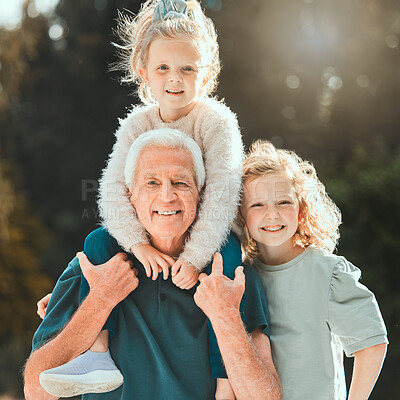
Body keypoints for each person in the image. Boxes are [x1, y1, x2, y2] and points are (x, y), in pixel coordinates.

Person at [37, 0, 245, 397]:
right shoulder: (137, 123)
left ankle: (224, 380)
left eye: (187, 68)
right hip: (148, 234)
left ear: (206, 75)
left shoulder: (216, 122)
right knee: (98, 242)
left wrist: (195, 257)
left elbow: (221, 195)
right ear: (143, 72)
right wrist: (136, 245)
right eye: (163, 68)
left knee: (227, 268)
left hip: (207, 237)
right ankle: (97, 353)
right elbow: (113, 191)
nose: (175, 79)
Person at [24, 130, 281, 400]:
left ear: (201, 194)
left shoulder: (234, 279)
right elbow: (36, 391)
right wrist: (100, 299)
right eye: (151, 183)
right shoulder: (92, 268)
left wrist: (225, 315)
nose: (167, 196)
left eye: (180, 183)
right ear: (129, 194)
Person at [239, 140, 388, 400]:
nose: (272, 215)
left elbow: (372, 343)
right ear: (241, 215)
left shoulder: (327, 273)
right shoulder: (240, 275)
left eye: (283, 202)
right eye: (258, 205)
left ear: (301, 209)